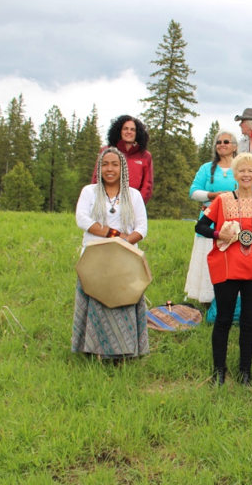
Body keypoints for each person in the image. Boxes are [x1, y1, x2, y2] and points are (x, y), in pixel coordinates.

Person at [195, 152, 252, 386]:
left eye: (251, 170)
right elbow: (200, 226)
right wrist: (219, 233)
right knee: (223, 319)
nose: (246, 174)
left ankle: (245, 372)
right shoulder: (222, 200)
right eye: (242, 170)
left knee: (249, 322)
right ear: (235, 175)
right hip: (227, 267)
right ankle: (219, 371)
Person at [73, 147, 148, 359]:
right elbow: (83, 219)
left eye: (115, 164)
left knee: (123, 303)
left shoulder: (133, 195)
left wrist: (123, 243)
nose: (109, 169)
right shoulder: (89, 191)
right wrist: (112, 234)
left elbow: (142, 227)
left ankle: (125, 351)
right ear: (100, 167)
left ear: (122, 168)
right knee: (96, 304)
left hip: (125, 260)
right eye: (105, 164)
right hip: (94, 258)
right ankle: (93, 350)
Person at [184, 130, 238, 305]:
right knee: (208, 257)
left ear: (235, 146)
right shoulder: (206, 168)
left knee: (230, 258)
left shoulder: (240, 168)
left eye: (226, 142)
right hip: (209, 220)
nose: (222, 144)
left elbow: (250, 193)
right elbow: (193, 192)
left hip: (233, 222)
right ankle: (206, 298)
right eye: (218, 142)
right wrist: (213, 195)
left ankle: (229, 299)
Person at [92, 115, 153, 203]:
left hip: (132, 205)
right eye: (125, 129)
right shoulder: (106, 151)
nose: (129, 132)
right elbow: (96, 178)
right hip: (106, 203)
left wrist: (137, 204)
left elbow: (147, 186)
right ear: (119, 131)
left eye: (132, 129)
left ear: (137, 133)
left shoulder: (145, 156)